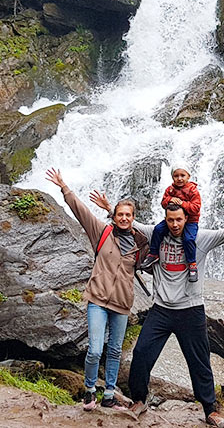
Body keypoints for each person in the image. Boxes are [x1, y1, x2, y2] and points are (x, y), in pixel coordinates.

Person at [92, 187, 224, 428]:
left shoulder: (200, 238)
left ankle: (210, 410)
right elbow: (130, 222)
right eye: (171, 220)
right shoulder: (157, 234)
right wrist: (109, 208)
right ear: (165, 219)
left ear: (187, 219)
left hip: (191, 310)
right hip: (161, 309)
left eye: (179, 220)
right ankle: (139, 400)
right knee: (142, 353)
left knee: (199, 361)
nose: (175, 225)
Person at [45, 168, 148, 411]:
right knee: (94, 350)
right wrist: (64, 187)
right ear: (114, 216)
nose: (124, 218)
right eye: (120, 214)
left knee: (114, 352)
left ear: (133, 217)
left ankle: (109, 396)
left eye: (128, 215)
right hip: (98, 300)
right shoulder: (102, 232)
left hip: (122, 304)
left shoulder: (139, 243)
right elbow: (80, 211)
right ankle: (90, 392)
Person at [142, 167, 202, 282]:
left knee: (189, 239)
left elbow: (196, 208)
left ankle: (192, 264)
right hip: (173, 219)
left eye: (182, 175)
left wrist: (182, 204)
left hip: (190, 221)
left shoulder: (193, 190)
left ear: (188, 176)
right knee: (158, 229)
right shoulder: (170, 190)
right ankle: (153, 254)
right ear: (172, 177)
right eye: (176, 176)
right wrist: (170, 199)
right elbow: (163, 203)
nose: (179, 178)